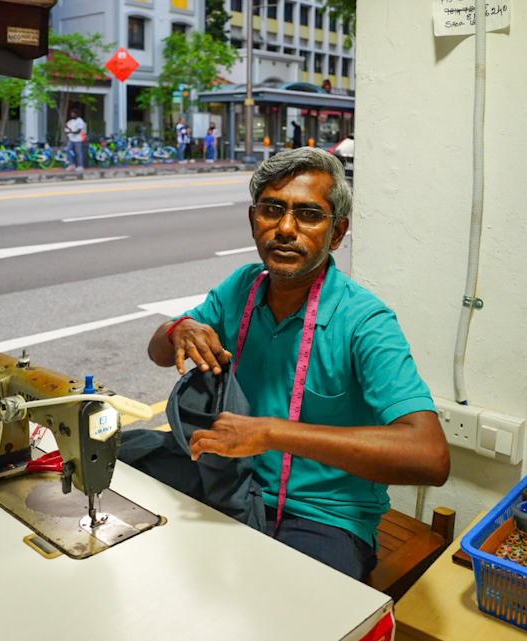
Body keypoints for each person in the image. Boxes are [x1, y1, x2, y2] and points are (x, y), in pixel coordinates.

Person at [138, 147, 450, 580]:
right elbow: (157, 352)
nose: (285, 228)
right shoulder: (242, 288)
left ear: (337, 233)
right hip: (231, 479)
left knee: (292, 618)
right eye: (272, 210)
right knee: (124, 489)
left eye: (308, 214)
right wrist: (180, 329)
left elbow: (430, 456)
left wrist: (269, 433)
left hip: (322, 515)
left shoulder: (364, 321)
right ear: (253, 221)